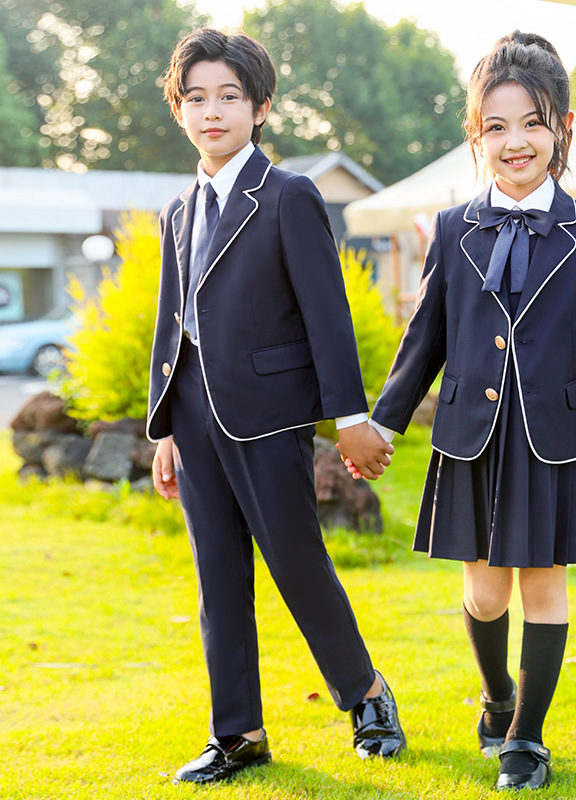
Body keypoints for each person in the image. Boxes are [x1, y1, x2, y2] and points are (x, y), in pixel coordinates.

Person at [340, 31, 576, 792]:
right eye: (497, 126)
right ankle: (498, 697)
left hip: (556, 436)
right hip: (470, 437)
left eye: (533, 123)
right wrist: (381, 422)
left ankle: (527, 739)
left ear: (562, 128)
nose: (517, 142)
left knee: (543, 586)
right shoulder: (453, 229)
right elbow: (426, 337)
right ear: (475, 135)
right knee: (484, 592)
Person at [146, 27, 403, 786]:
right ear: (179, 110)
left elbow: (327, 315)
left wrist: (349, 419)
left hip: (271, 414)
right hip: (195, 417)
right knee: (217, 576)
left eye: (229, 97)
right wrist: (165, 429)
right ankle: (239, 733)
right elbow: (171, 325)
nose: (212, 112)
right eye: (196, 99)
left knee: (294, 561)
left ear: (259, 108)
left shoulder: (288, 195)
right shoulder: (177, 210)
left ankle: (366, 695)